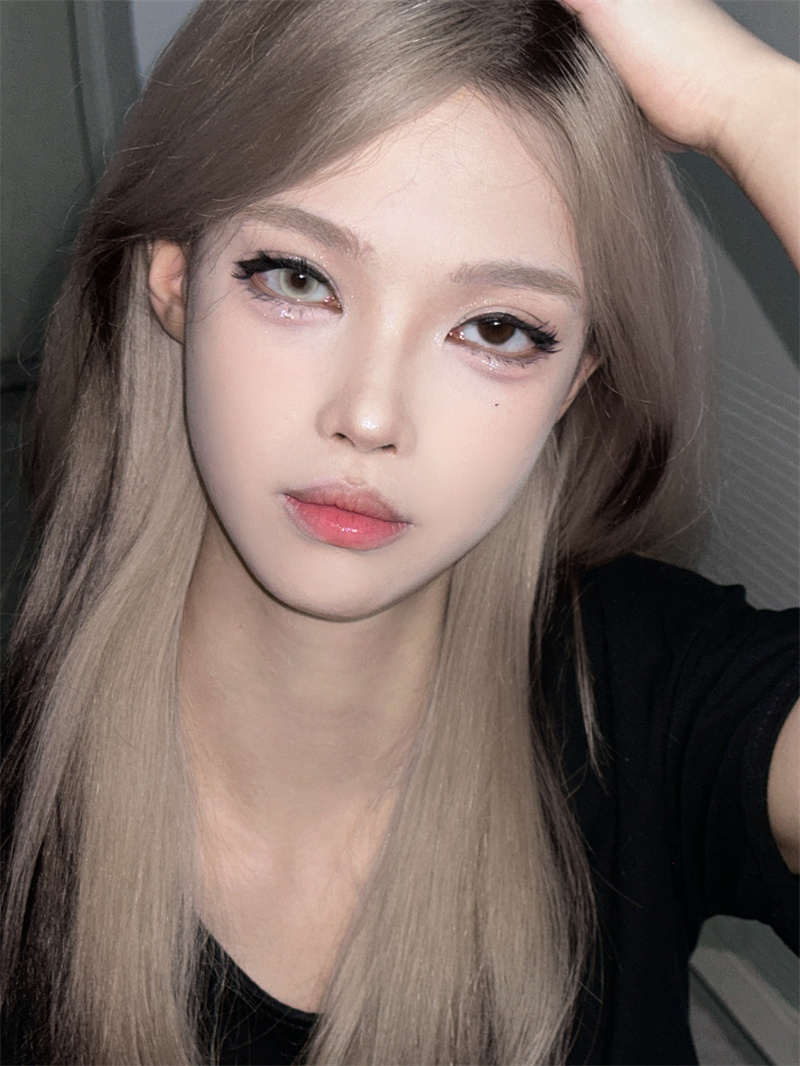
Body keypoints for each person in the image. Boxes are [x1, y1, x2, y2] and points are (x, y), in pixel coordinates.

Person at [1, 0, 797, 1063]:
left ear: (574, 381)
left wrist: (751, 102)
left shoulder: (651, 701)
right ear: (175, 282)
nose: (371, 415)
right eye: (298, 277)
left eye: (496, 328)